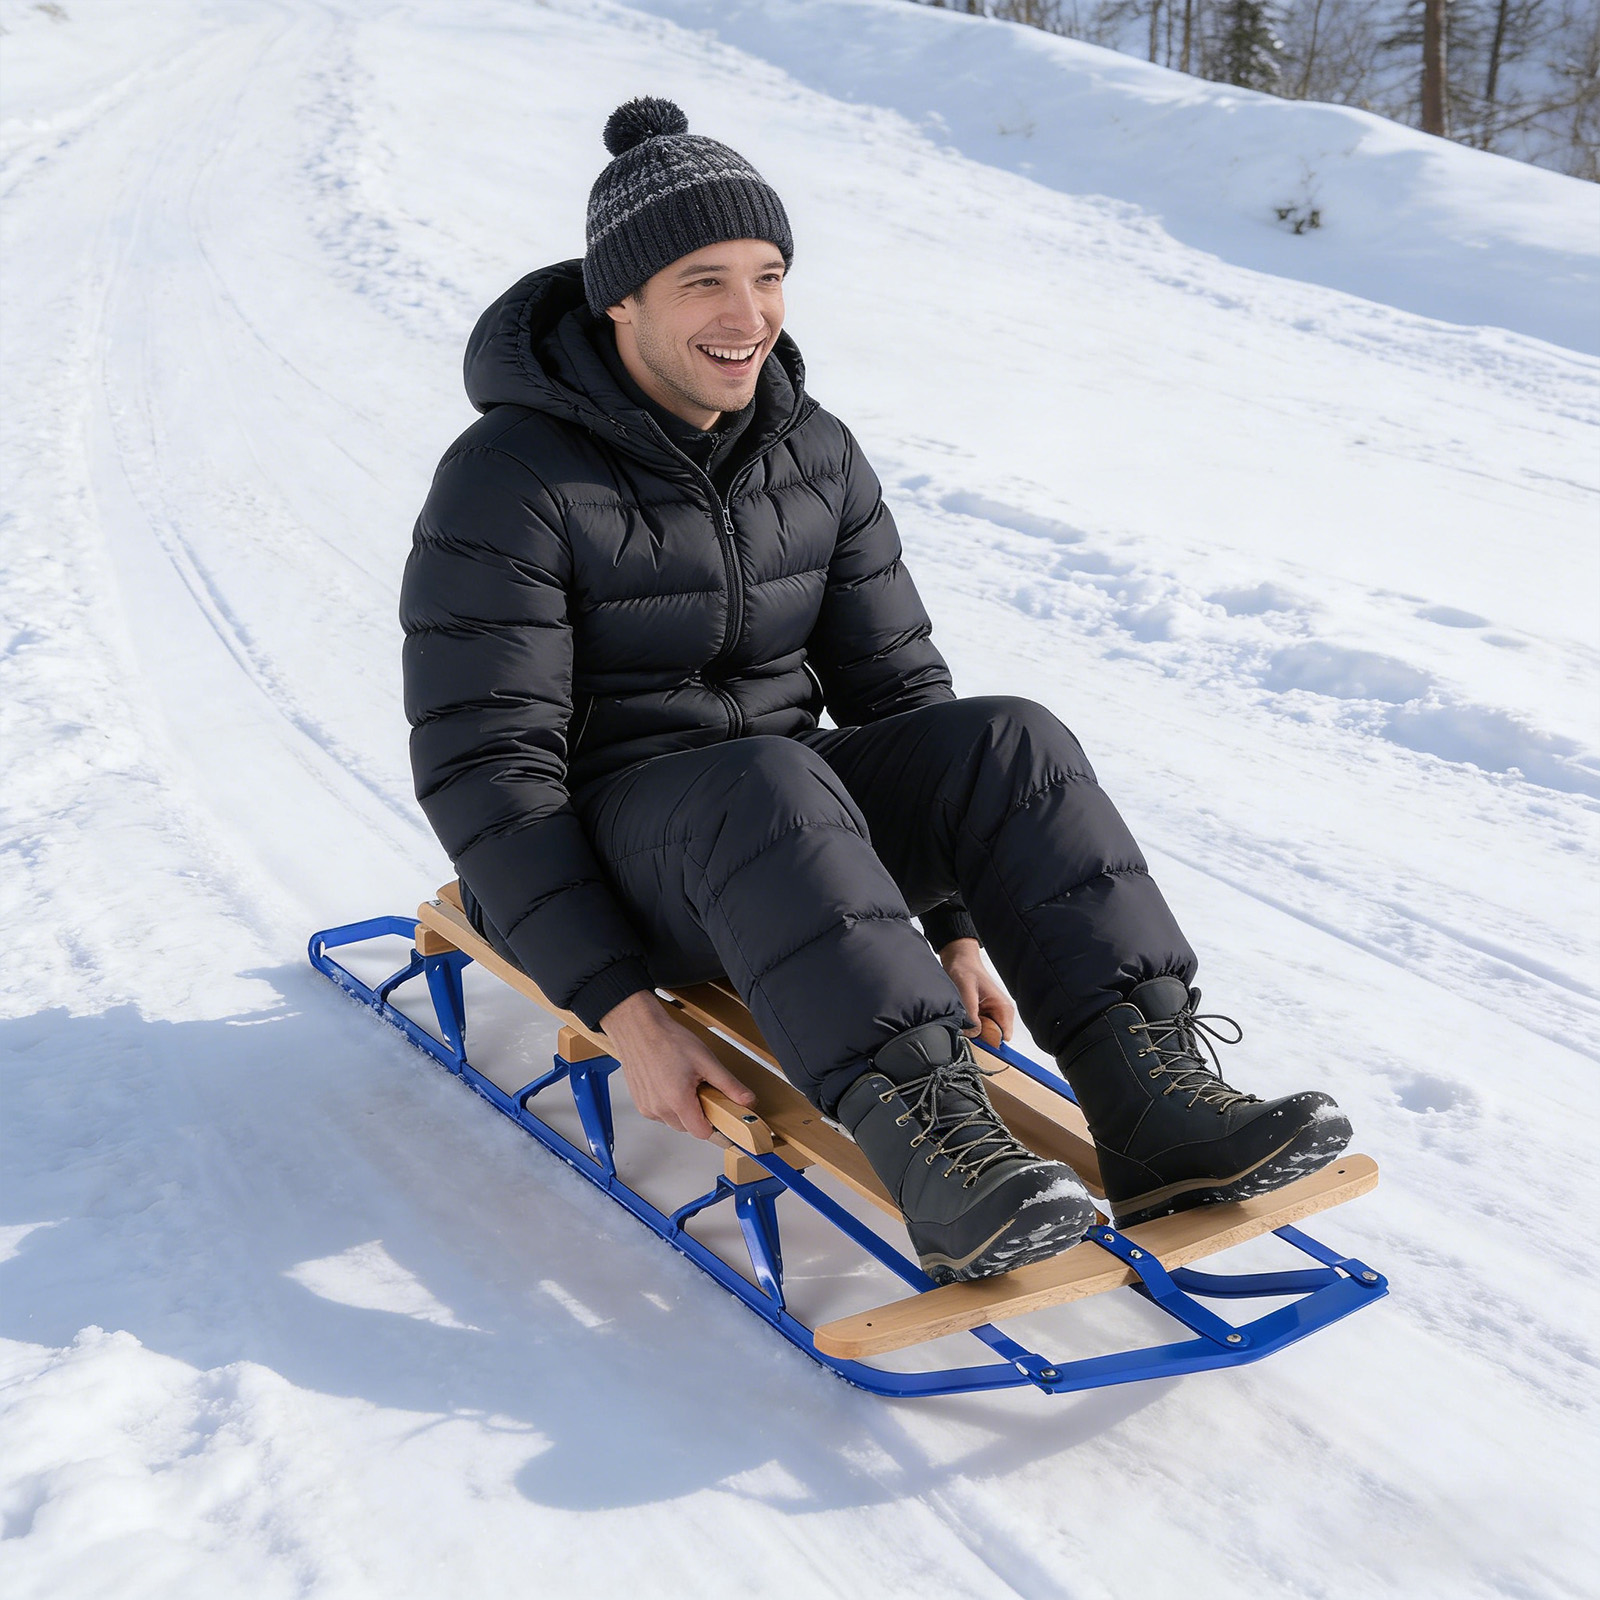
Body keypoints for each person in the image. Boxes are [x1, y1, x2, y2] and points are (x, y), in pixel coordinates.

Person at [400, 98, 1351, 1284]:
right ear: (621, 300)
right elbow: (485, 767)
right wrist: (623, 1010)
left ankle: (1157, 1103)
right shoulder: (508, 476)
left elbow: (899, 696)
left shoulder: (814, 450)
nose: (746, 317)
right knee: (770, 779)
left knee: (1008, 740)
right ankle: (944, 1162)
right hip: (612, 862)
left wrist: (947, 923)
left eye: (769, 275)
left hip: (788, 827)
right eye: (703, 282)